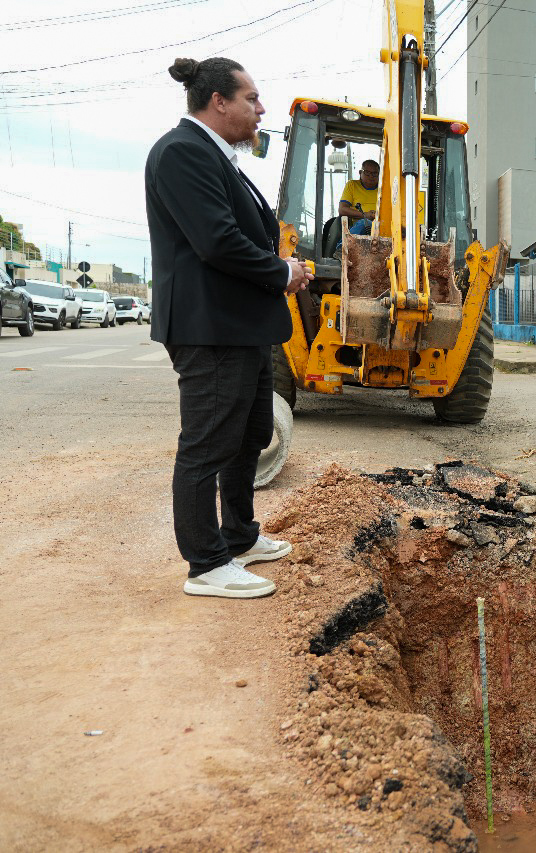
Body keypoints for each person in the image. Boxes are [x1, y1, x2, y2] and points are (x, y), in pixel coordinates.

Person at [146, 57, 313, 598]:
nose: (261, 109)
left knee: (249, 436)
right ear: (219, 101)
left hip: (239, 325)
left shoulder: (214, 154)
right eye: (251, 98)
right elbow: (216, 241)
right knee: (208, 444)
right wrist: (282, 273)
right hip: (210, 328)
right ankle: (206, 564)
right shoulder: (182, 152)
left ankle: (239, 536)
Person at [339, 160, 380, 236]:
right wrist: (365, 215)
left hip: (381, 226)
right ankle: (344, 243)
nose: (371, 176)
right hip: (360, 226)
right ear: (360, 172)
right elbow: (342, 210)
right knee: (364, 223)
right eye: (367, 172)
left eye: (375, 173)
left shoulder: (385, 189)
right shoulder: (352, 185)